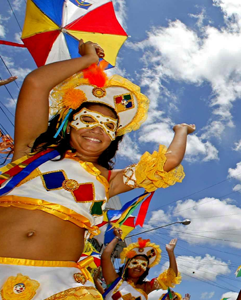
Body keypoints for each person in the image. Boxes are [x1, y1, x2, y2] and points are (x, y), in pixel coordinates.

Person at [0, 41, 192, 299]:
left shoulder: (108, 181)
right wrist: (88, 60)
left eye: (108, 126)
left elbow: (167, 163)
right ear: (69, 125)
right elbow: (36, 83)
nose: (97, 129)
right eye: (87, 119)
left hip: (59, 286)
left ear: (113, 138)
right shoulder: (31, 151)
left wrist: (180, 131)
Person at [101, 228, 181, 299]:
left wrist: (171, 253)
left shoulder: (146, 287)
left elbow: (171, 276)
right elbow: (106, 256)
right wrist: (117, 238)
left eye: (143, 264)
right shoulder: (114, 280)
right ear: (127, 265)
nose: (138, 266)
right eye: (135, 262)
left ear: (145, 270)